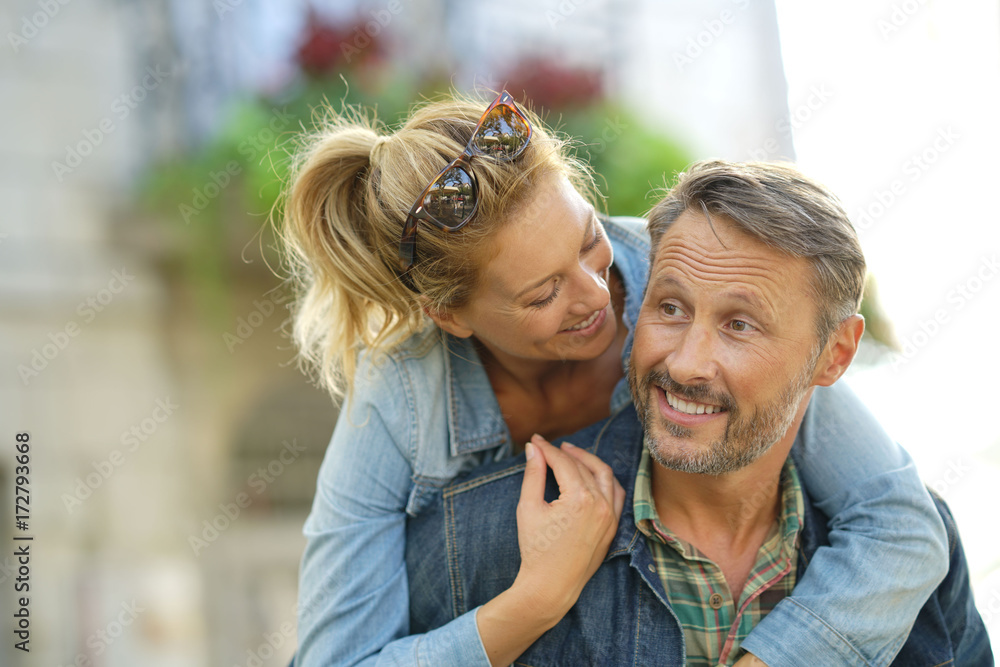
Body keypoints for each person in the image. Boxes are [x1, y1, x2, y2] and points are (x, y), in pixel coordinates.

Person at [282, 91, 948, 666]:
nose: (597, 293)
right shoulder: (401, 394)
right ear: (451, 315)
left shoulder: (685, 283)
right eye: (543, 293)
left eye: (585, 239)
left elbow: (901, 524)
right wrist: (536, 598)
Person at [405, 159, 993, 666]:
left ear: (834, 354)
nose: (686, 364)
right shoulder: (482, 536)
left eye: (739, 324)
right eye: (671, 307)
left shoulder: (909, 557)